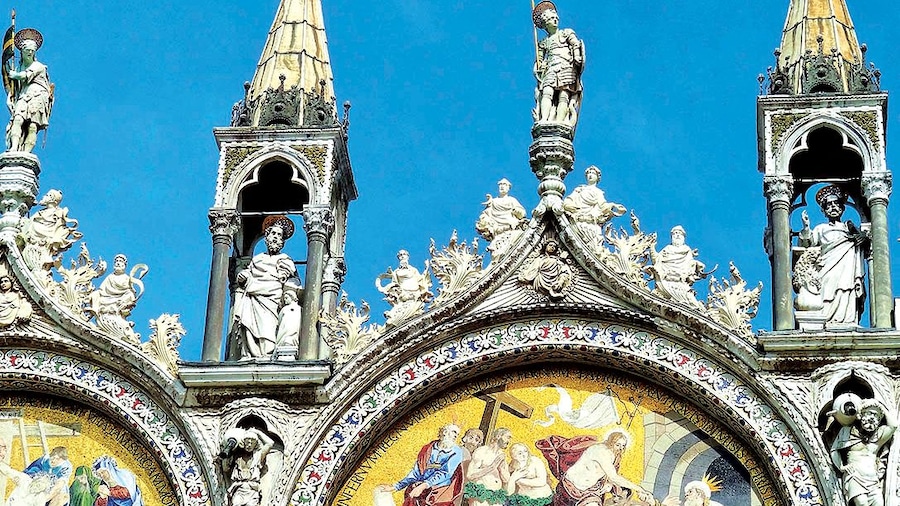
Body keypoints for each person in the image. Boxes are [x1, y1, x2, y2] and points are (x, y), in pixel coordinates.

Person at [230, 215, 300, 359]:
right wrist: (242, 277)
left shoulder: (284, 260)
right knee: (250, 325)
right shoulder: (257, 259)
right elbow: (247, 274)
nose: (275, 238)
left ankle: (267, 353)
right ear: (267, 236)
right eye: (273, 233)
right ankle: (250, 353)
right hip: (253, 297)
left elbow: (292, 281)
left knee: (268, 327)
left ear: (282, 241)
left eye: (279, 235)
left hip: (272, 298)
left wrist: (286, 279)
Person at [799, 185, 867, 327]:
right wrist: (806, 228)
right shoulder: (821, 229)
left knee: (846, 289)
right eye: (829, 205)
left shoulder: (848, 227)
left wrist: (861, 237)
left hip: (847, 267)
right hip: (827, 268)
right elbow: (807, 245)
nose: (833, 207)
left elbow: (864, 243)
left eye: (836, 204)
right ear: (824, 211)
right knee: (827, 291)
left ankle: (847, 320)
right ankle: (826, 318)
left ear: (842, 208)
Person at [537, 429, 653, 506]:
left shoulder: (613, 456)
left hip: (590, 490)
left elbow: (607, 476)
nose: (620, 448)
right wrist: (639, 488)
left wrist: (608, 485)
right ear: (610, 442)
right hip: (572, 487)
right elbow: (613, 476)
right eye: (618, 445)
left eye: (623, 446)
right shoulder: (600, 451)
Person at [377, 424, 464, 506]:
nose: (456, 436)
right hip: (422, 487)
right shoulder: (428, 448)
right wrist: (396, 487)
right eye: (454, 432)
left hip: (441, 490)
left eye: (457, 434)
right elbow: (416, 471)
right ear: (445, 432)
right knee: (411, 493)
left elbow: (445, 473)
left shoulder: (456, 451)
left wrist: (425, 485)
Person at [830, 399, 897, 506]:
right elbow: (834, 450)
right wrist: (841, 467)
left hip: (873, 480)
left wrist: (881, 406)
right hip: (855, 476)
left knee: (879, 503)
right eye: (870, 413)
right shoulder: (847, 432)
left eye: (876, 416)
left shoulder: (877, 438)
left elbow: (893, 426)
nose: (872, 418)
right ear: (860, 415)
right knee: (862, 503)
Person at [532, 2, 584, 125]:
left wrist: (577, 56)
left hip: (566, 66)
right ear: (545, 24)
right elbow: (539, 60)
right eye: (551, 18)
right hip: (551, 68)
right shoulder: (543, 42)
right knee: (547, 92)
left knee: (563, 94)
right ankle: (544, 119)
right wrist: (540, 67)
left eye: (556, 18)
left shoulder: (566, 33)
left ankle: (560, 121)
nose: (555, 20)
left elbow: (576, 44)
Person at [5, 29, 52, 153]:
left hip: (37, 96)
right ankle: (14, 147)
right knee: (18, 119)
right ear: (22, 51)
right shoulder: (19, 66)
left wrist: (14, 75)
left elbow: (24, 76)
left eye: (32, 50)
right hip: (23, 95)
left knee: (32, 126)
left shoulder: (39, 66)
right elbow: (17, 85)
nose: (30, 52)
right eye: (28, 50)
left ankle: (26, 152)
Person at [19, 189, 82, 273]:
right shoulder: (40, 213)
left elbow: (58, 230)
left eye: (47, 195)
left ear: (51, 199)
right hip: (31, 244)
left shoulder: (58, 214)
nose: (43, 196)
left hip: (41, 247)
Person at [219, 427, 276, 506]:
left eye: (252, 443)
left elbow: (270, 443)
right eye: (247, 442)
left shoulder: (258, 457)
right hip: (238, 491)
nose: (249, 445)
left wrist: (257, 432)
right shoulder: (236, 457)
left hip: (252, 491)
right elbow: (225, 468)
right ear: (243, 442)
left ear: (255, 445)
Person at [464, 428, 512, 506]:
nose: (509, 441)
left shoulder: (502, 456)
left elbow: (506, 481)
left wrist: (501, 468)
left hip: (495, 499)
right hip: (481, 498)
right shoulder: (482, 451)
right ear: (499, 436)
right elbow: (470, 475)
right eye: (508, 437)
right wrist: (491, 467)